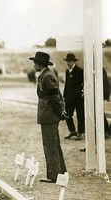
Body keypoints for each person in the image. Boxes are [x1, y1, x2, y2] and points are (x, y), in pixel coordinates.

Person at [29, 51, 67, 183]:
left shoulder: (47, 76)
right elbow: (56, 94)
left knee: (50, 145)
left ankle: (54, 175)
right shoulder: (46, 74)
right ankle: (61, 171)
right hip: (50, 115)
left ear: (40, 64)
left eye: (35, 63)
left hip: (49, 115)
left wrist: (59, 112)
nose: (34, 65)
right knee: (54, 144)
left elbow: (55, 97)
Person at [63, 53, 85, 140]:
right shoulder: (67, 71)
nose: (68, 63)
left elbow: (84, 83)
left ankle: (80, 133)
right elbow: (66, 85)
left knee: (80, 115)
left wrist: (83, 91)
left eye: (70, 61)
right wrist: (65, 96)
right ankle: (72, 131)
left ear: (73, 61)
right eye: (67, 61)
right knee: (67, 115)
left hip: (78, 98)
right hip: (69, 98)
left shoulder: (80, 71)